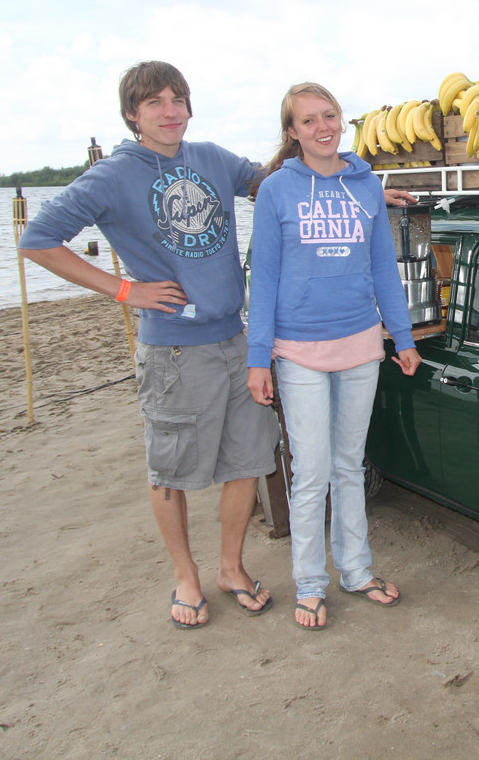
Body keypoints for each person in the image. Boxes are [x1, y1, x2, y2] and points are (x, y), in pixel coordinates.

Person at [18, 60, 281, 630]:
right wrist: (125, 290)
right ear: (132, 114)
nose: (169, 111)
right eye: (155, 102)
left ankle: (231, 568)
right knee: (170, 469)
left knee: (247, 460)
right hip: (174, 353)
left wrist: (353, 177)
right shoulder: (113, 175)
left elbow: (277, 183)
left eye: (177, 99)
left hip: (235, 340)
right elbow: (37, 240)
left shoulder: (212, 158)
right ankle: (186, 577)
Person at [245, 82, 422, 631]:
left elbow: (383, 268)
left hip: (361, 344)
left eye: (330, 115)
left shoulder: (366, 184)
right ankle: (309, 583)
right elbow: (264, 277)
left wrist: (403, 336)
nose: (322, 127)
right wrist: (258, 358)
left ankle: (356, 570)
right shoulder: (276, 190)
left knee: (349, 464)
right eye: (309, 120)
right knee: (311, 471)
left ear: (341, 121)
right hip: (298, 348)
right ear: (292, 132)